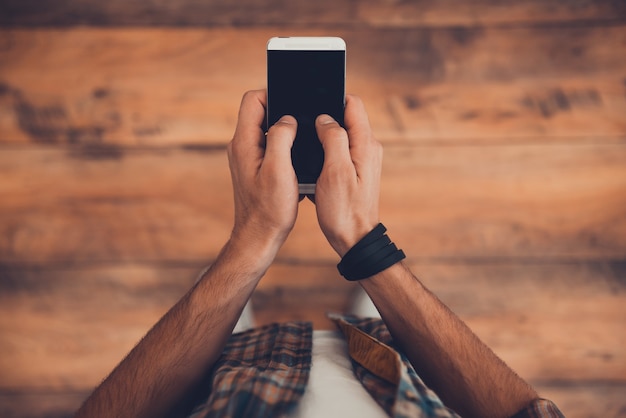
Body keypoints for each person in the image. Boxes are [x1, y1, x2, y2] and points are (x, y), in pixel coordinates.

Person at [75, 90, 564, 418]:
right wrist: (362, 244)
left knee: (223, 303)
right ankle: (367, 308)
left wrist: (252, 240)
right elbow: (528, 413)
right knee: (378, 315)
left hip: (236, 372)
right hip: (393, 369)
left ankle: (265, 307)